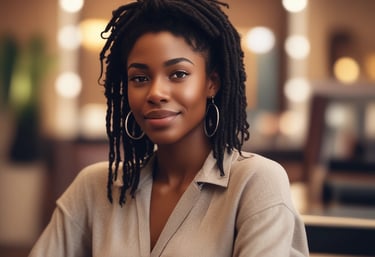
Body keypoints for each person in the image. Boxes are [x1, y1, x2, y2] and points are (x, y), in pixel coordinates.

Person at [29, 0, 309, 256]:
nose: (156, 92)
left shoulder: (256, 182)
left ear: (212, 83)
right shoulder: (94, 187)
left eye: (178, 74)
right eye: (139, 78)